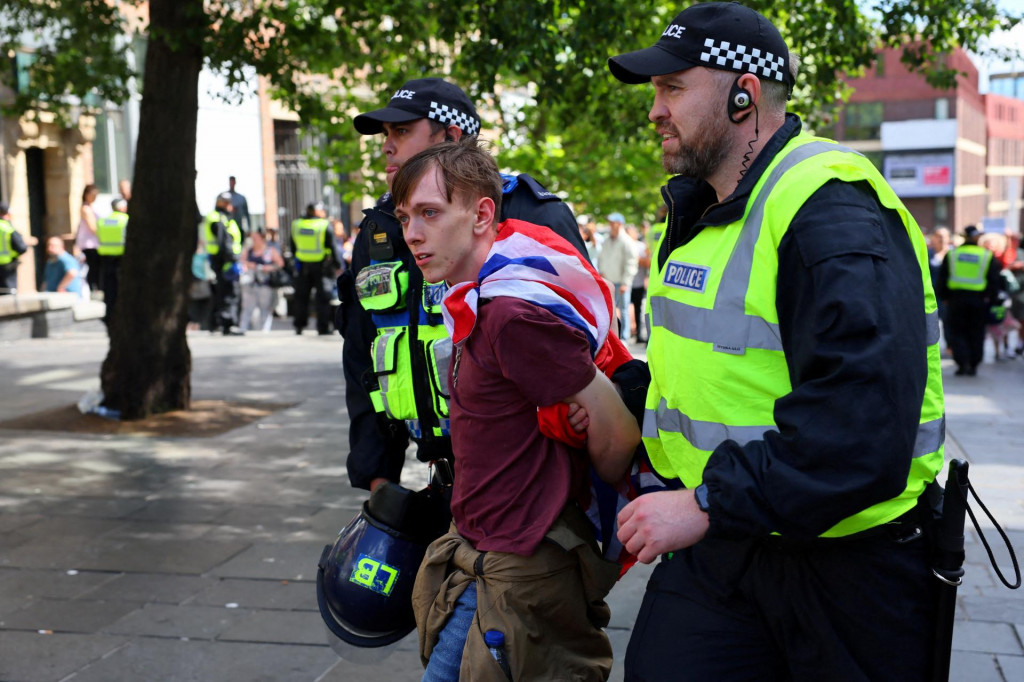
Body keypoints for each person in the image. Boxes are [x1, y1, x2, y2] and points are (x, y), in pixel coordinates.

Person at [607, 3, 945, 680]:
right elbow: (712, 370)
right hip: (728, 547)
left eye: (672, 88)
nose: (654, 111)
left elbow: (863, 424)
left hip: (847, 572)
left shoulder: (831, 208)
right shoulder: (703, 208)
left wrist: (704, 503)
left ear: (744, 94)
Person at [393, 141, 639, 681]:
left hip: (519, 572)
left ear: (483, 214)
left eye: (430, 213)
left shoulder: (511, 314)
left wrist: (577, 498)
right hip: (481, 560)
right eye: (406, 216)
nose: (412, 233)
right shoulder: (478, 297)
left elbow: (617, 429)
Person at [339, 76, 590, 493]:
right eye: (385, 134)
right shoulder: (379, 229)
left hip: (533, 471)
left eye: (401, 131)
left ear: (452, 136)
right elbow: (362, 356)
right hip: (441, 475)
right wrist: (378, 475)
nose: (386, 146)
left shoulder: (530, 211)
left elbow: (588, 340)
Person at [935, 225, 1002, 375]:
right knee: (976, 332)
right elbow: (994, 281)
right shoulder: (986, 255)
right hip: (978, 301)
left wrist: (944, 297)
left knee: (957, 331)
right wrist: (991, 300)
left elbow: (942, 278)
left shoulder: (952, 254)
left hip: (955, 300)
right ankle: (973, 364)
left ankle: (962, 362)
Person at [290, 201, 339, 335]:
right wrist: (338, 264)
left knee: (301, 297)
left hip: (302, 267)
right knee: (323, 298)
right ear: (317, 211)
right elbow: (333, 247)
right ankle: (322, 327)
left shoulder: (296, 225)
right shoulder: (323, 225)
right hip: (321, 267)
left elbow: (293, 247)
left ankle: (299, 326)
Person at [202, 192, 244, 335]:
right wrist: (230, 260)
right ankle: (228, 323)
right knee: (230, 292)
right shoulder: (219, 219)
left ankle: (215, 323)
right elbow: (224, 242)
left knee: (220, 292)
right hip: (224, 261)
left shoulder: (220, 217)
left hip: (219, 260)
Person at [596, 212, 638, 340]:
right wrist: (602, 272)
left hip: (621, 282)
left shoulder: (627, 241)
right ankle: (613, 338)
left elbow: (631, 262)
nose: (610, 225)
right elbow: (601, 258)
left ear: (619, 224)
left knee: (624, 310)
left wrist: (626, 282)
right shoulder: (607, 240)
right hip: (609, 281)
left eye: (613, 222)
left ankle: (624, 338)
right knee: (610, 311)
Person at [240, 230, 285, 332]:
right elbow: (241, 261)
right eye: (252, 238)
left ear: (262, 239)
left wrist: (267, 268)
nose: (254, 240)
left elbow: (280, 263)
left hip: (265, 284)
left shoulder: (270, 250)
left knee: (265, 308)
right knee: (247, 308)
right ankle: (243, 329)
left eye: (256, 238)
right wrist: (249, 265)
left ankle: (264, 330)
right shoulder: (249, 250)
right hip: (250, 284)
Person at [96, 198, 129, 328]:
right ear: (122, 208)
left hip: (105, 258)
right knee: (121, 287)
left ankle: (109, 314)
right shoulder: (125, 220)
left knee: (109, 288)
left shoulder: (102, 221)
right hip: (121, 257)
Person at [0, 202, 38, 294]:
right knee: (8, 292)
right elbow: (21, 247)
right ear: (8, 214)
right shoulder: (7, 227)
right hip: (7, 265)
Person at [75, 184, 101, 294]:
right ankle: (93, 289)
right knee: (93, 267)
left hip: (93, 242)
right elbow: (92, 227)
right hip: (89, 243)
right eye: (93, 195)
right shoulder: (85, 208)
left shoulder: (90, 208)